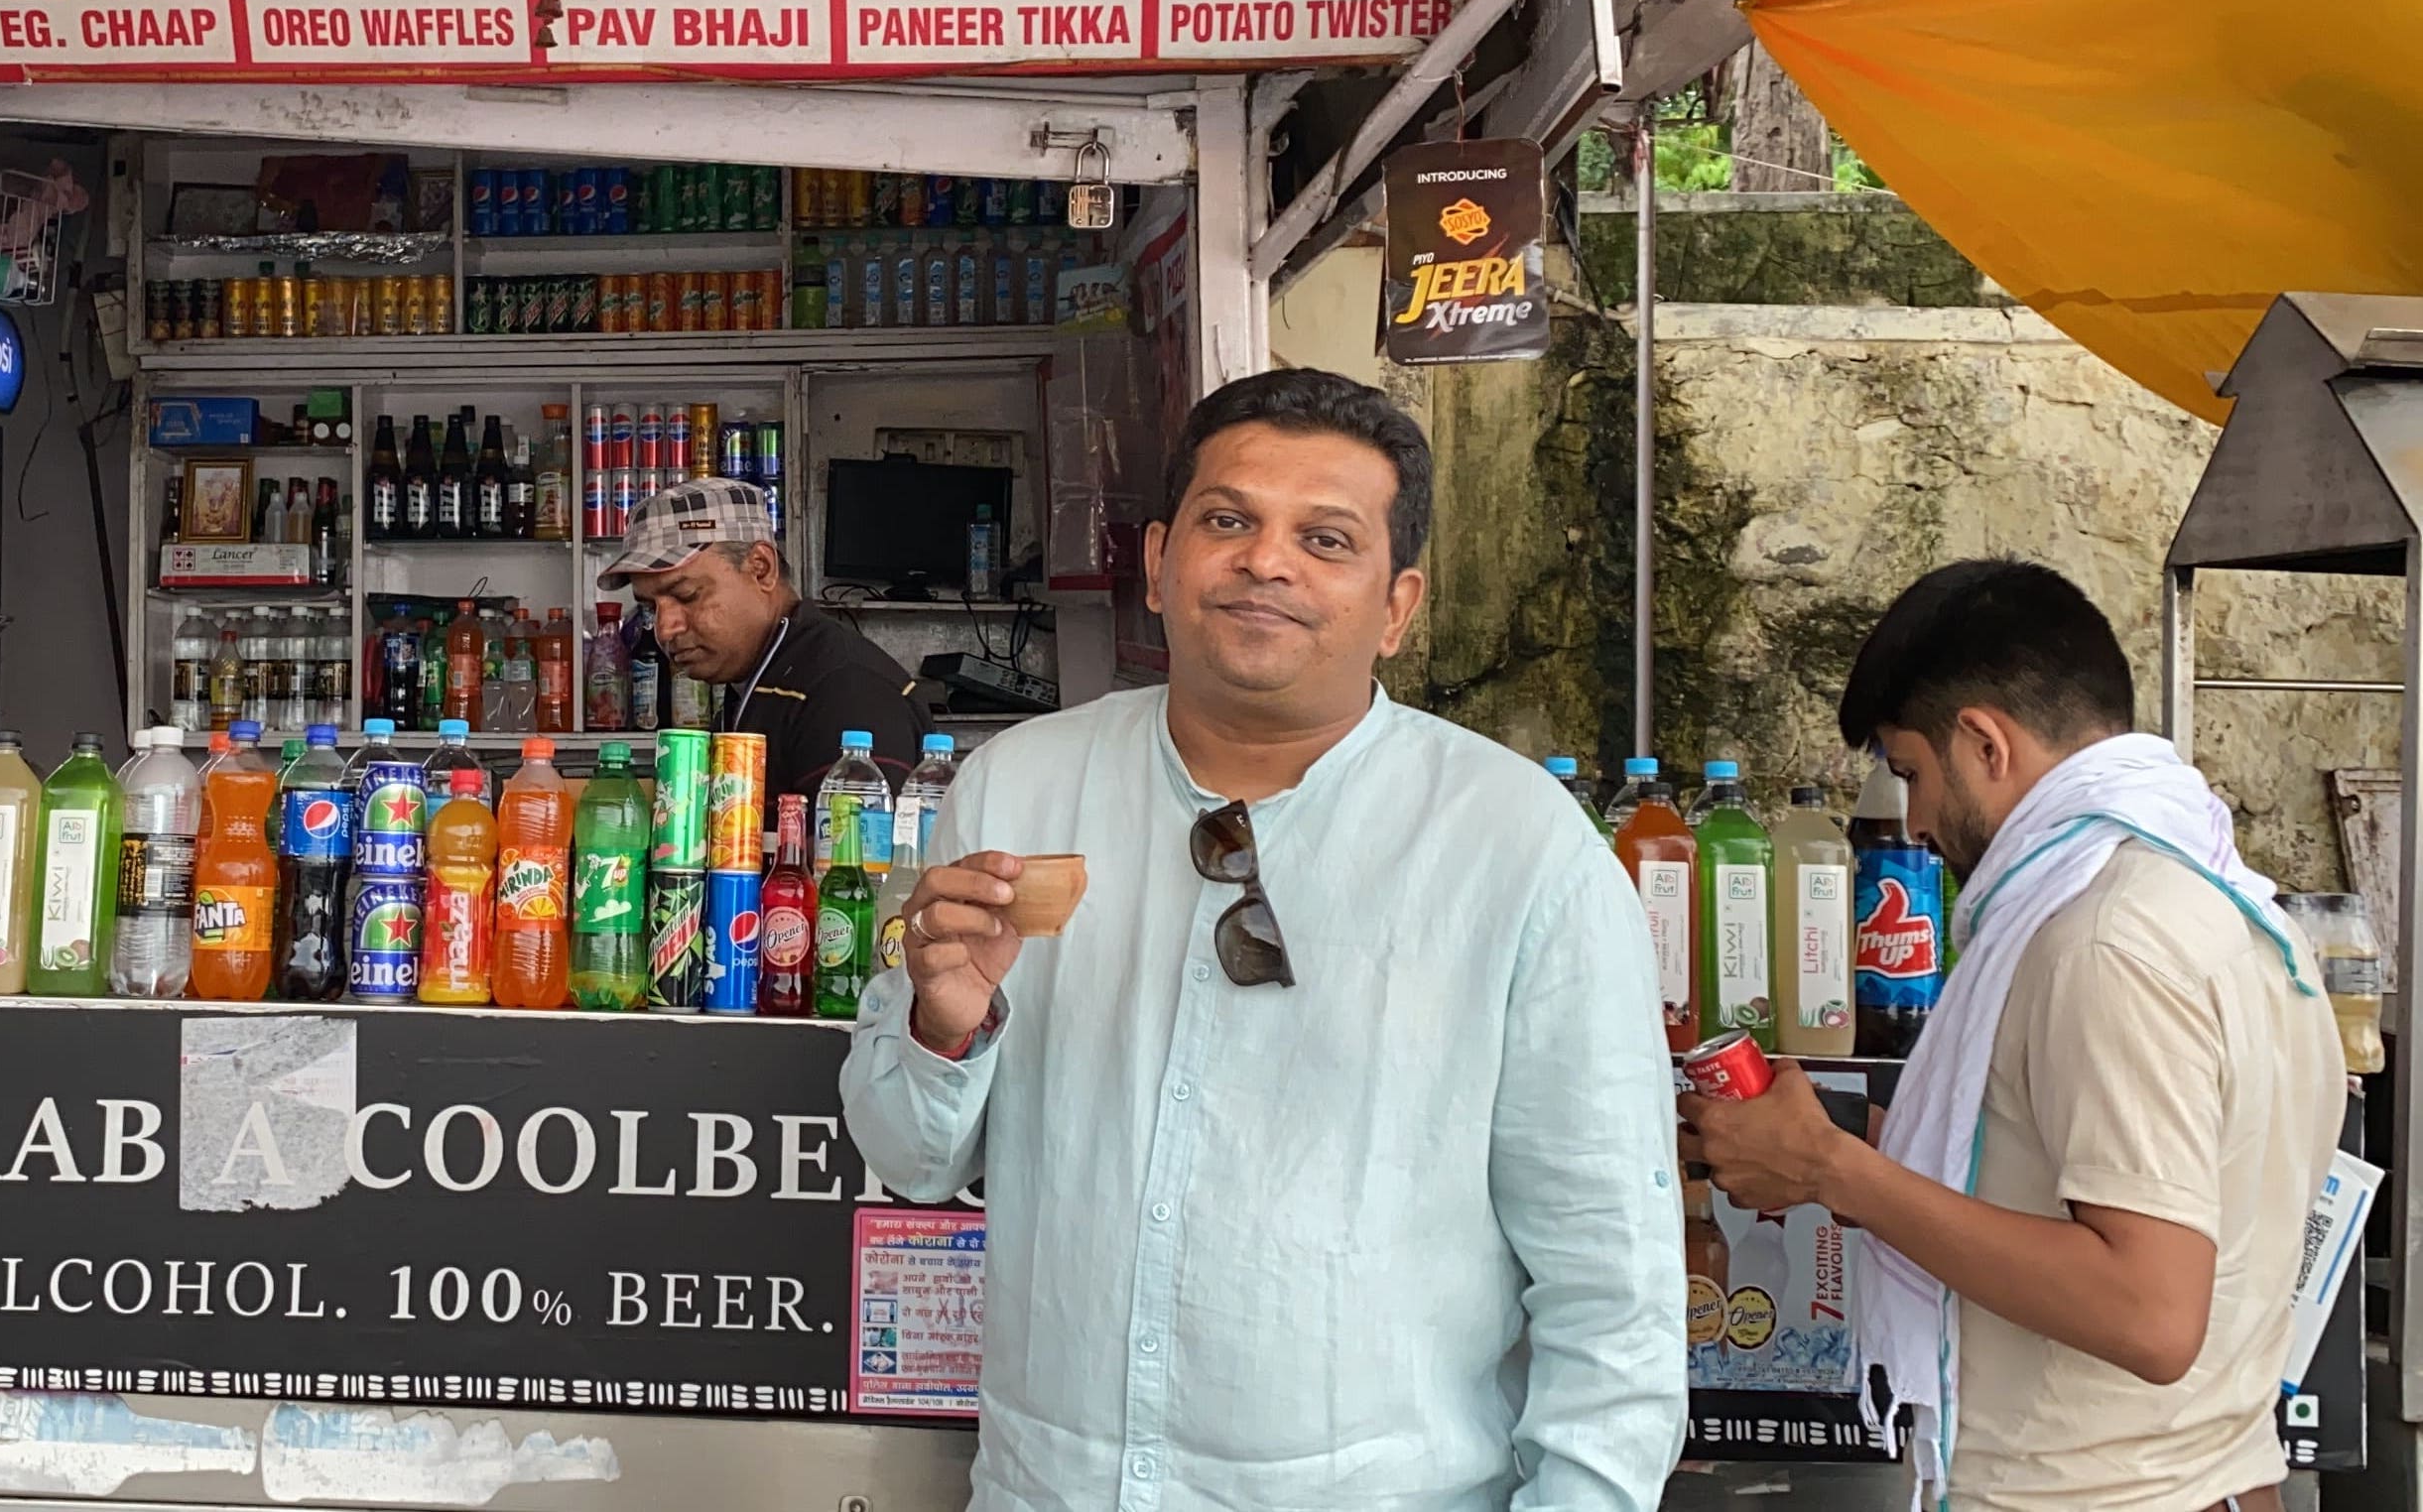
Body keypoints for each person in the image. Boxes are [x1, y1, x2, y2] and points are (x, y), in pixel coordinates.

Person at [842, 368, 1684, 1510]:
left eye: (1325, 538)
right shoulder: (1015, 790)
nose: (1265, 561)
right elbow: (907, 1156)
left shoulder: (1516, 847)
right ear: (1156, 560)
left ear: (1396, 605)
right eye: (1227, 520)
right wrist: (945, 1022)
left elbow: (1610, 1280)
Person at [1683, 561, 2341, 1512]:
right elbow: (2080, 1187)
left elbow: (2150, 1311)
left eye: (1910, 772)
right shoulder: (2217, 898)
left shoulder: (2105, 939)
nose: (1910, 818)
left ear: (1985, 743)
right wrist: (1837, 1154)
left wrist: (1838, 1173)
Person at [598, 478, 924, 795]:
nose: (665, 628)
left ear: (761, 568)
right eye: (651, 609)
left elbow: (858, 847)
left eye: (687, 595)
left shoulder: (845, 691)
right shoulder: (761, 679)